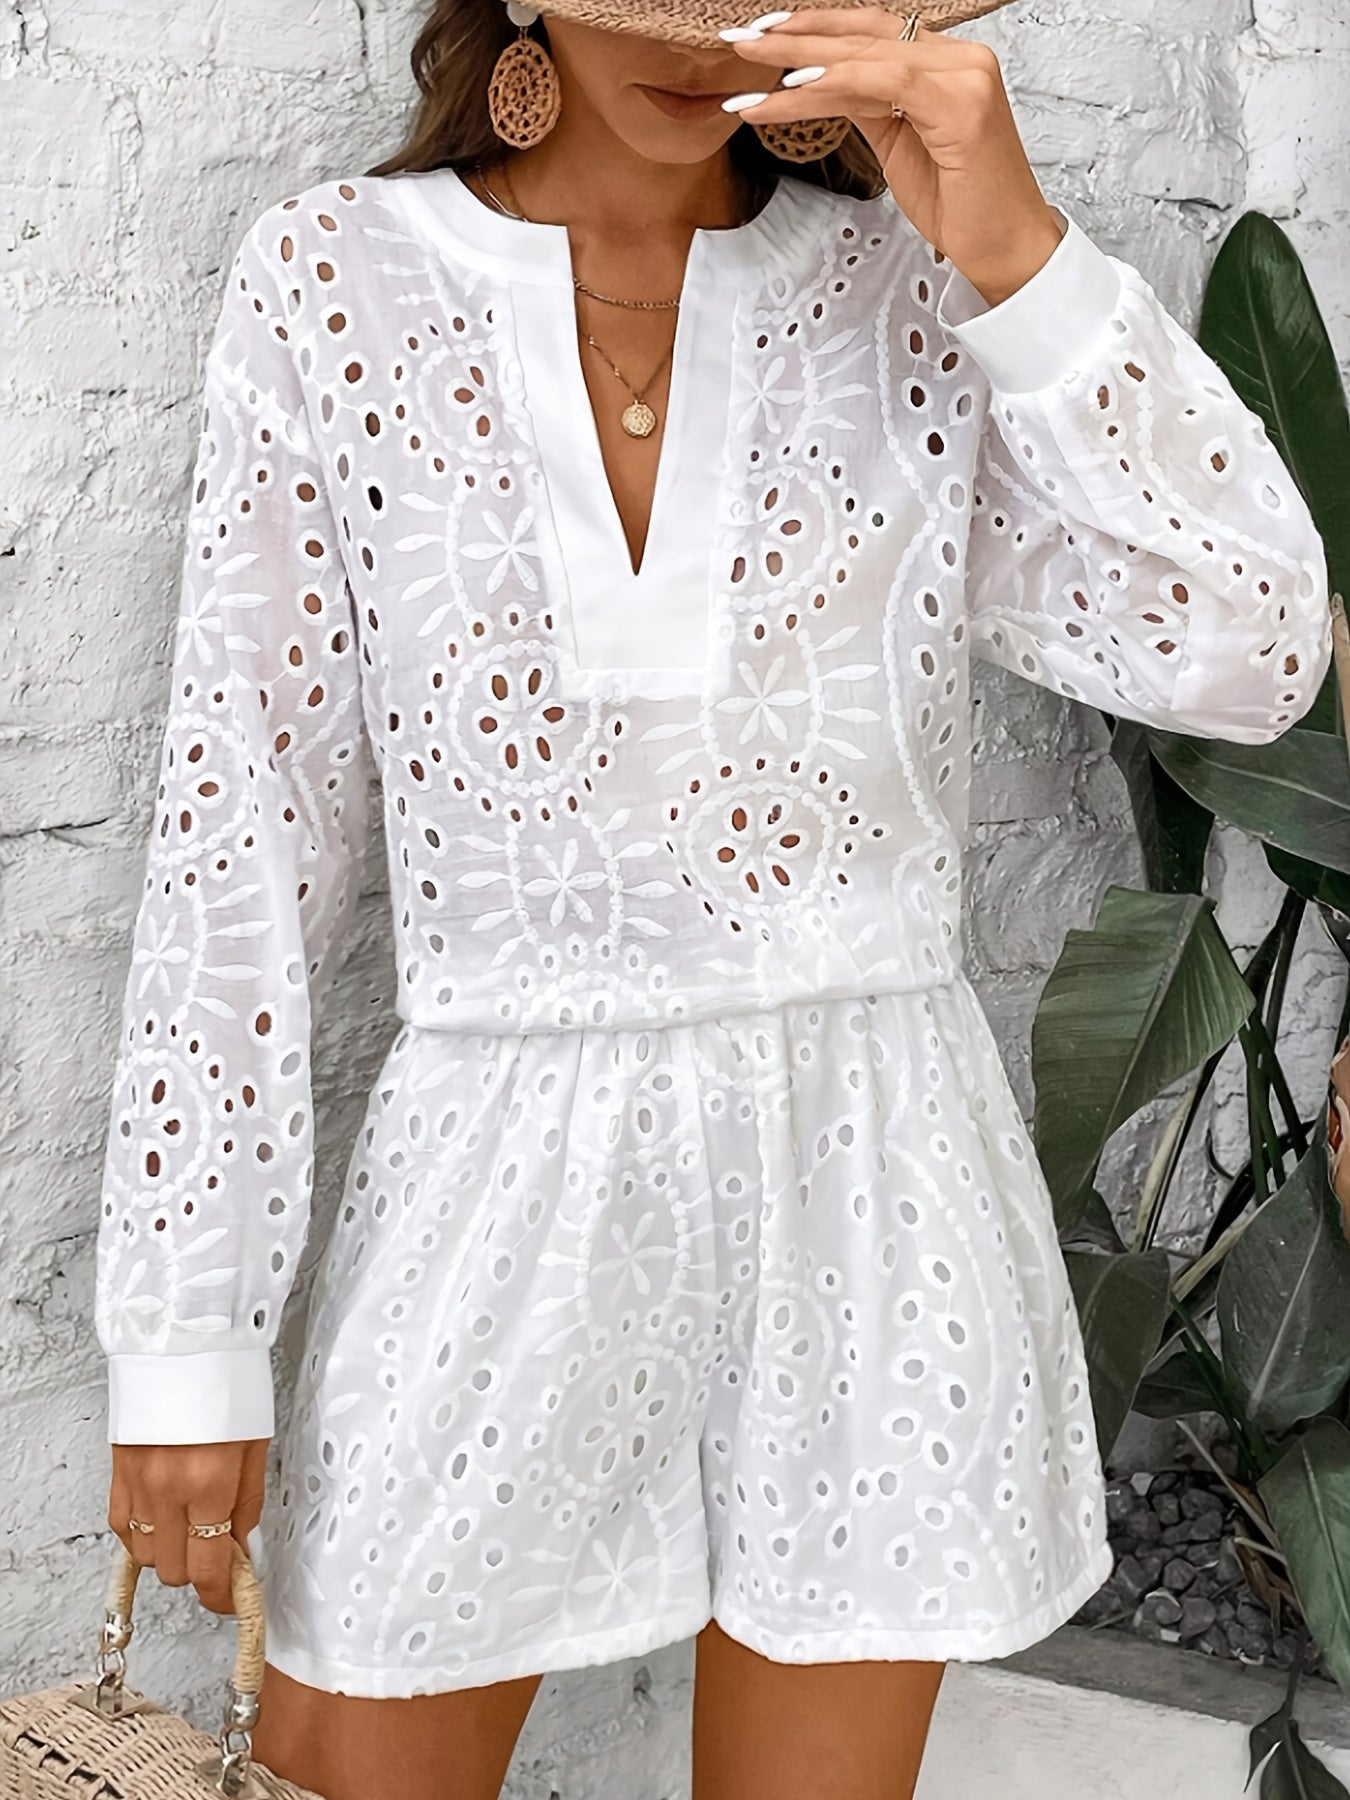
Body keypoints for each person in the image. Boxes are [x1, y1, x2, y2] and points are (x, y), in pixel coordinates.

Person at [94, 2, 1333, 1797]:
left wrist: (1016, 252)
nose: (712, 35)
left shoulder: (911, 295)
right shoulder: (333, 281)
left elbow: (1247, 651)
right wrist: (187, 1342)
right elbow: (239, 832)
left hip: (874, 1179)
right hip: (492, 1182)